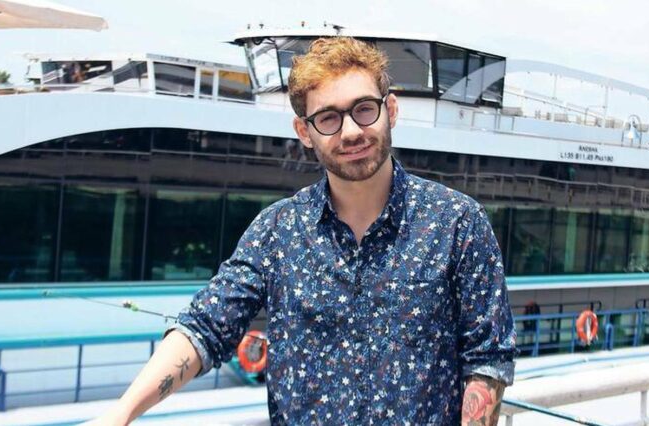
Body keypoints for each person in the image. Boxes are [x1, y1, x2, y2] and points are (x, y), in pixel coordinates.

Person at [87, 36, 515, 426]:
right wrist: (120, 414)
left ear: (391, 109)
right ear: (304, 132)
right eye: (328, 118)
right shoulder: (277, 232)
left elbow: (486, 360)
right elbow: (206, 326)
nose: (351, 131)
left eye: (364, 109)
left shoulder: (458, 223)